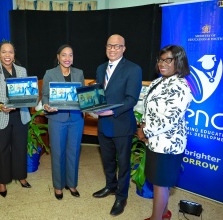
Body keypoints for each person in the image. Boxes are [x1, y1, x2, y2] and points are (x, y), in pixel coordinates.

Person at [137, 45, 193, 220]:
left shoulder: (181, 86)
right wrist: (142, 124)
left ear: (179, 61)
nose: (162, 63)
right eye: (161, 60)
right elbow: (147, 108)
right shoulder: (159, 81)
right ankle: (165, 213)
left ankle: (156, 218)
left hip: (168, 144)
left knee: (161, 184)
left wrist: (144, 131)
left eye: (168, 60)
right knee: (159, 181)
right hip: (155, 141)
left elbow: (168, 119)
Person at [92, 34, 142, 216]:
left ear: (124, 48)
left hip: (121, 124)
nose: (112, 49)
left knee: (123, 164)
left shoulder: (133, 69)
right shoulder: (100, 68)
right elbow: (98, 94)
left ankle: (121, 197)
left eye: (117, 46)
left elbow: (131, 100)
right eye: (109, 46)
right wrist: (91, 105)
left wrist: (111, 111)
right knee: (107, 161)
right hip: (103, 125)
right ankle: (110, 186)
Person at [0, 41, 32, 198]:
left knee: (19, 148)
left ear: (14, 54)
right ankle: (2, 181)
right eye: (4, 52)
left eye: (10, 52)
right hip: (0, 116)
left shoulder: (22, 71)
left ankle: (21, 176)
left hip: (20, 116)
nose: (7, 55)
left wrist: (29, 97)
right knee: (1, 150)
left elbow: (27, 91)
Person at [42, 44, 85, 200]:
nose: (67, 58)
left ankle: (71, 184)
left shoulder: (79, 73)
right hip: (57, 118)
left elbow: (82, 96)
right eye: (64, 55)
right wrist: (46, 105)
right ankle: (58, 186)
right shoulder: (50, 74)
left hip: (76, 119)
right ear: (58, 57)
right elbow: (45, 96)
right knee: (58, 152)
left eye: (70, 55)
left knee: (74, 152)